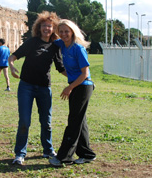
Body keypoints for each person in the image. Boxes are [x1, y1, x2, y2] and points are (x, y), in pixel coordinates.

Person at [8, 11, 66, 165]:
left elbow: (60, 68)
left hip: (44, 88)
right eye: (44, 26)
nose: (47, 28)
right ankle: (20, 154)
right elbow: (13, 56)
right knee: (24, 121)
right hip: (26, 86)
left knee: (46, 121)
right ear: (39, 28)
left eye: (50, 26)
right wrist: (12, 67)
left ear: (53, 29)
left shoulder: (55, 46)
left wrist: (77, 78)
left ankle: (48, 150)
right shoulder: (32, 42)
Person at [49, 19, 96, 167]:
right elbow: (48, 40)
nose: (63, 34)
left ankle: (64, 157)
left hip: (83, 86)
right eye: (61, 31)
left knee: (74, 121)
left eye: (66, 31)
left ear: (72, 32)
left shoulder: (78, 48)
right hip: (76, 85)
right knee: (80, 121)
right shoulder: (62, 44)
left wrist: (69, 88)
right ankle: (87, 154)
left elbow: (84, 74)